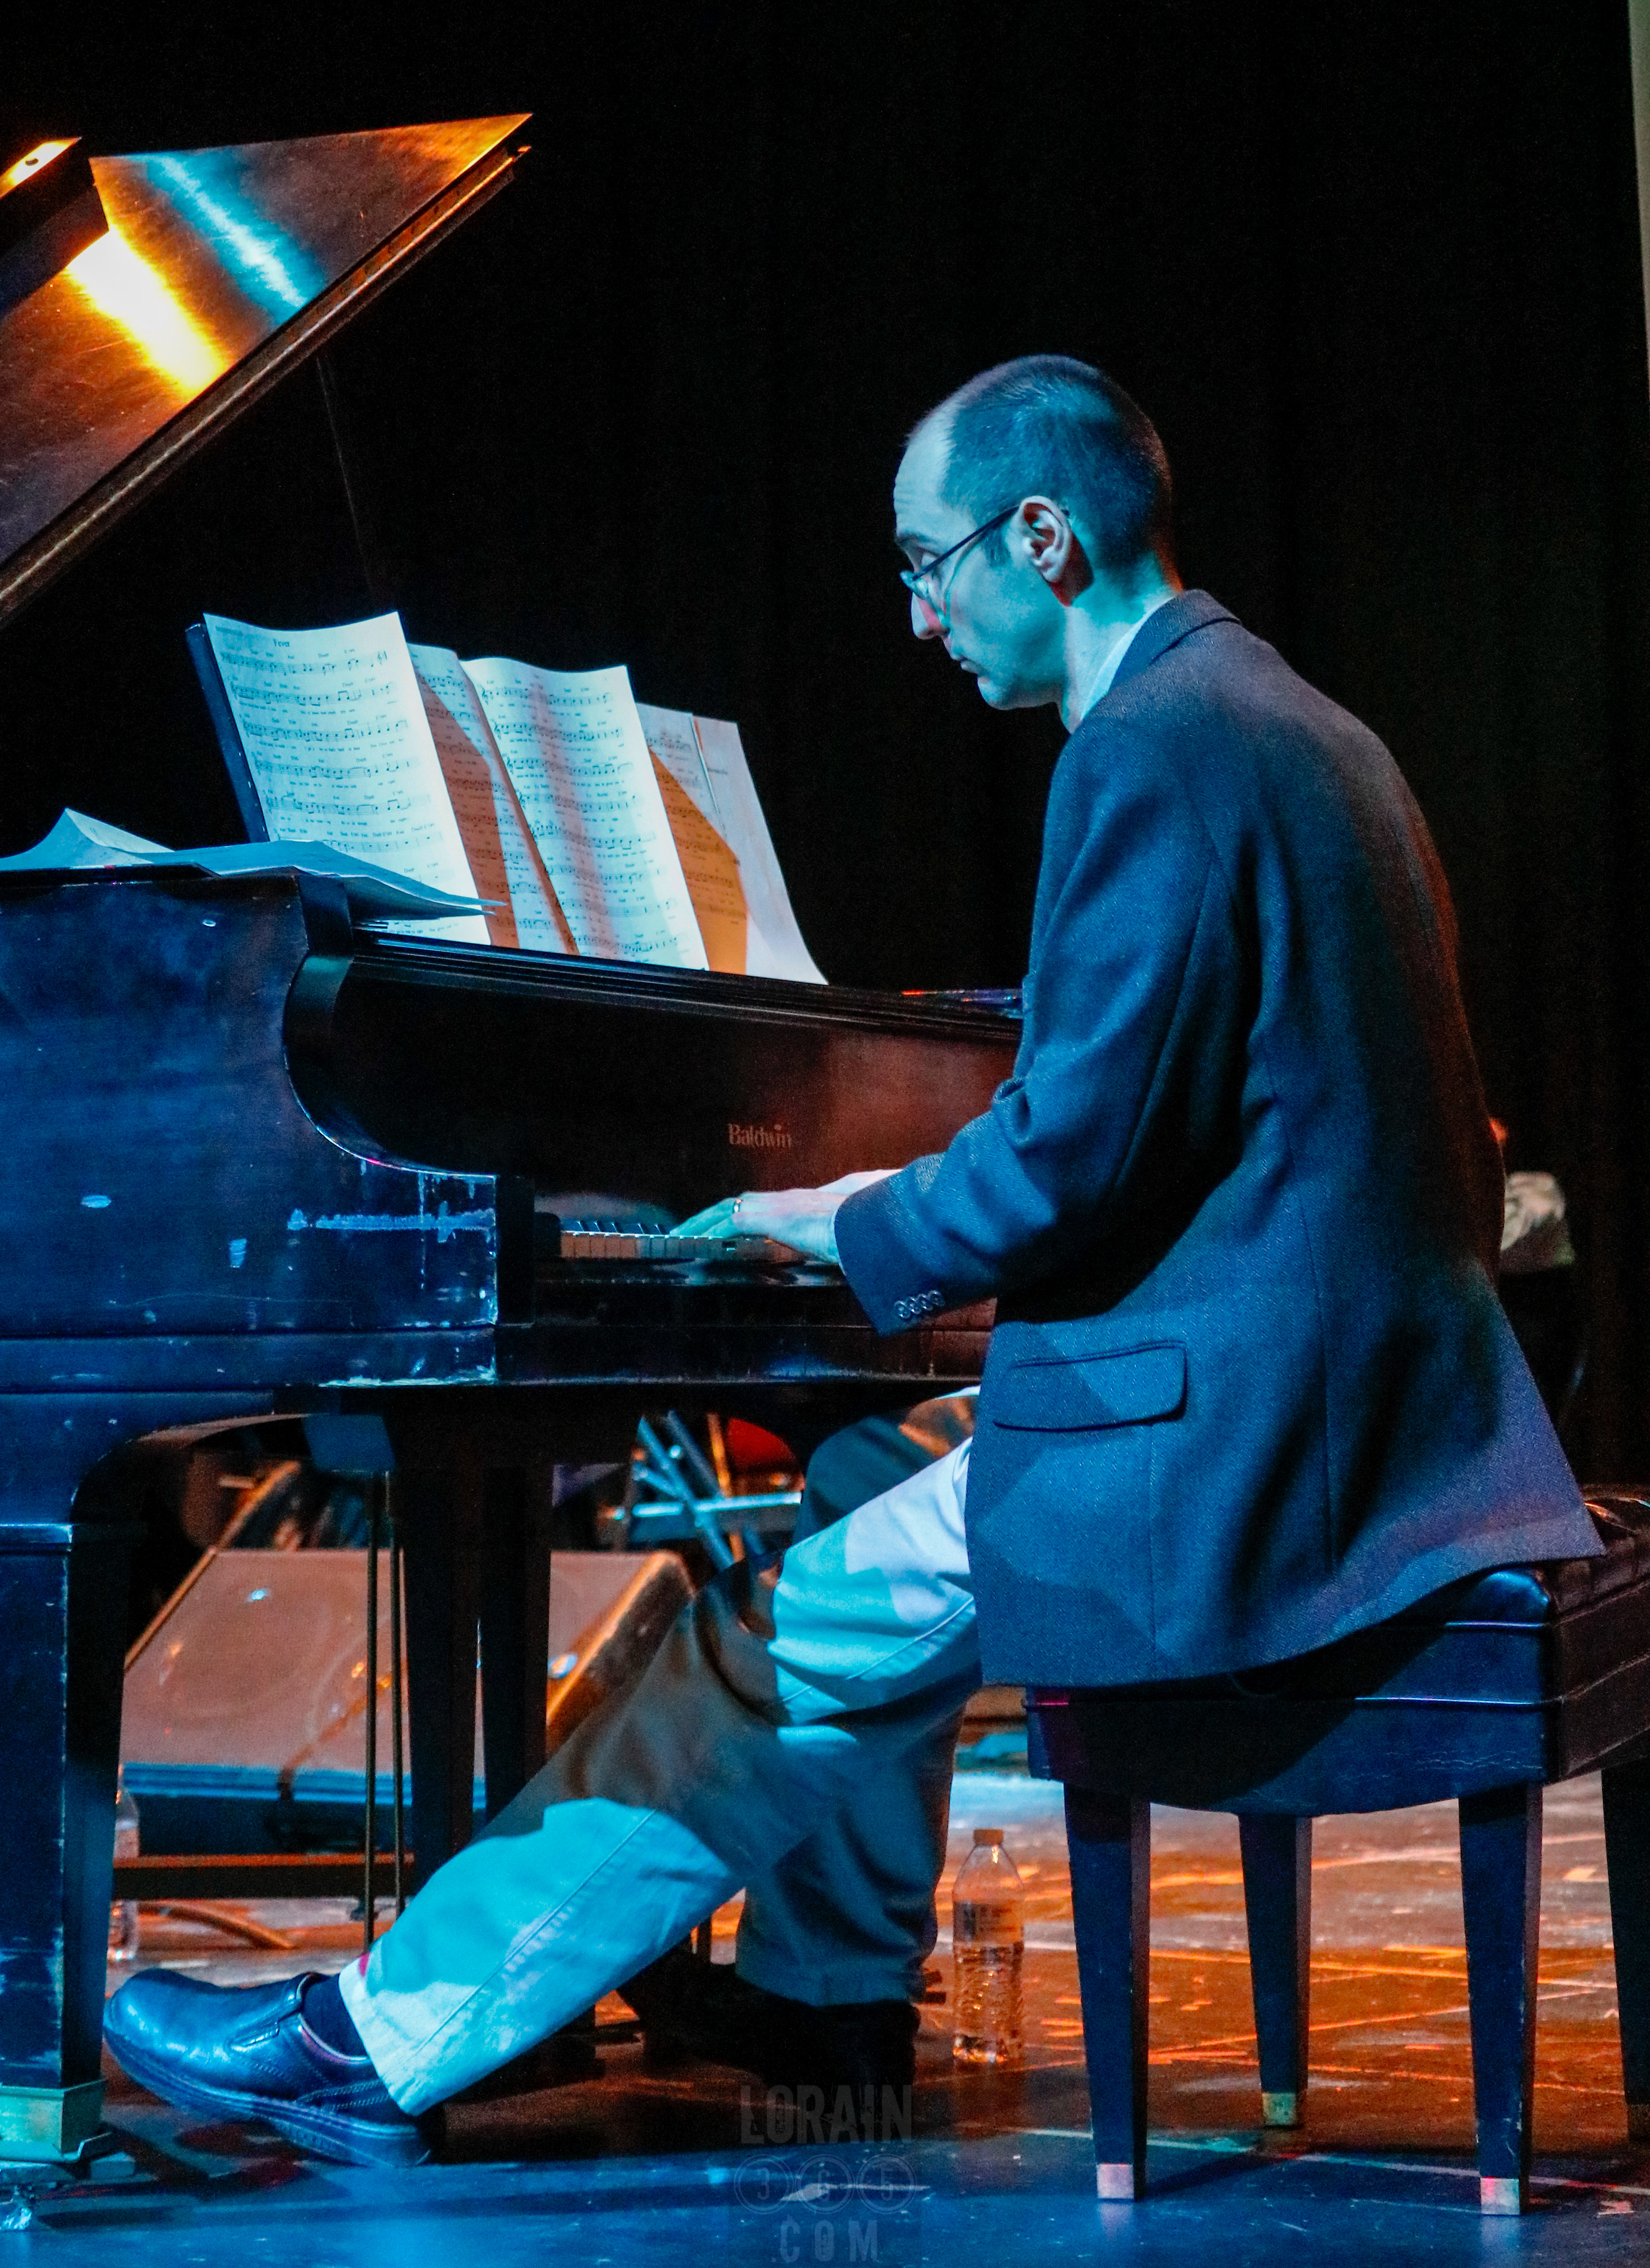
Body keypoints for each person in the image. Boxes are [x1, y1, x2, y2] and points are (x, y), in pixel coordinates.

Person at [103, 355, 1596, 2166]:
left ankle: (381, 2035)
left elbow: (1062, 1163)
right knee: (877, 1471)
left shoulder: (1151, 750)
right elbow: (1164, 1120)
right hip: (1368, 1411)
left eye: (926, 562)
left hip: (1253, 1457)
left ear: (1040, 536)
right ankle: (829, 1988)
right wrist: (891, 1208)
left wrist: (842, 1218)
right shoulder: (1298, 725)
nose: (915, 616)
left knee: (761, 1637)